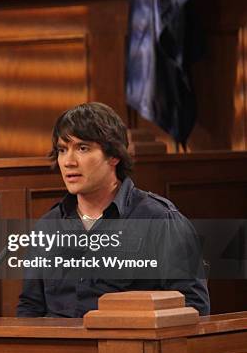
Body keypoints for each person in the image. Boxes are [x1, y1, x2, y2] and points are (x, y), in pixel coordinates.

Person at [16, 102, 210, 317]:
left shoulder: (159, 220)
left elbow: (194, 308)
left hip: (128, 348)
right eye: (62, 150)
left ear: (114, 155)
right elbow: (30, 308)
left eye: (82, 148)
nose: (68, 162)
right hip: (60, 349)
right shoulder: (48, 226)